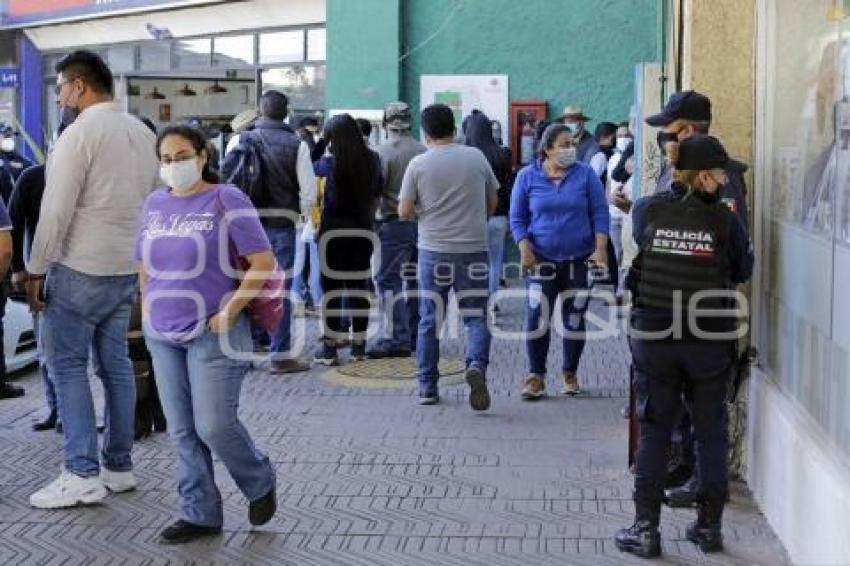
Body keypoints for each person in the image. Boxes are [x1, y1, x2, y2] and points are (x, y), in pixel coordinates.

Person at [26, 50, 159, 509]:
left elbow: (56, 209)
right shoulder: (141, 132)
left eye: (61, 86)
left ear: (78, 86)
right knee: (116, 364)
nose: (60, 95)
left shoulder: (77, 134)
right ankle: (118, 466)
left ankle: (80, 471)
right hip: (126, 267)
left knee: (66, 366)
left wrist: (36, 268)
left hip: (80, 267)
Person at [615, 134, 753, 558]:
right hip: (708, 337)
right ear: (702, 174)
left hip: (655, 334)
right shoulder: (726, 222)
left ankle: (646, 529)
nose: (725, 179)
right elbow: (741, 269)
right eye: (720, 172)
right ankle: (708, 529)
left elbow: (646, 245)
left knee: (655, 427)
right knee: (710, 430)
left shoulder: (646, 208)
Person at [138, 125, 277, 544]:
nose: (173, 165)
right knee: (181, 429)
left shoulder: (226, 198)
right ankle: (199, 513)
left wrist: (231, 309)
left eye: (182, 156)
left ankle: (259, 478)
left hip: (215, 331)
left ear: (202, 156)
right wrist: (146, 305)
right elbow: (143, 263)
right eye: (165, 159)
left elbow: (263, 261)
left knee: (214, 425)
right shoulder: (154, 204)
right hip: (161, 332)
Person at [642, 90, 751, 502]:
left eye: (668, 130)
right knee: (683, 412)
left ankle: (701, 495)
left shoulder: (722, 176)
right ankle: (691, 480)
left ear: (686, 129)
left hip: (702, 311)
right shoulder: (678, 174)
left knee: (704, 415)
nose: (664, 138)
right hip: (672, 311)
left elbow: (732, 251)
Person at [398, 103, 498, 410]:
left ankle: (428, 387)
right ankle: (476, 366)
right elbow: (493, 201)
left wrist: (426, 213)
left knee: (430, 320)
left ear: (425, 132)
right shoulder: (476, 157)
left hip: (433, 251)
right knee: (476, 317)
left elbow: (404, 211)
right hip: (473, 249)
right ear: (455, 128)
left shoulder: (418, 164)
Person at [510, 123, 610, 401]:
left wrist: (599, 249)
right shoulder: (527, 177)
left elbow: (600, 213)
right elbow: (517, 218)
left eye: (572, 144)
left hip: (579, 260)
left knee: (575, 318)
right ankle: (536, 376)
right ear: (547, 149)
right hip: (540, 260)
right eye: (564, 144)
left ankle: (569, 372)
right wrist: (523, 248)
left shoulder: (585, 174)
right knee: (536, 316)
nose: (570, 149)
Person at [222, 90, 317, 374]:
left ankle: (243, 353)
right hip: (281, 226)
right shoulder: (297, 144)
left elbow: (226, 184)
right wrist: (299, 218)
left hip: (242, 226)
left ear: (259, 111)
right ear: (286, 112)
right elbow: (309, 193)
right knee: (280, 290)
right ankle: (280, 355)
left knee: (242, 286)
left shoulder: (239, 140)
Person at [8, 107, 79, 426]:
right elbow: (15, 222)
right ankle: (56, 410)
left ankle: (72, 412)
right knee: (47, 349)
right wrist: (20, 269)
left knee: (76, 353)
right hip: (42, 272)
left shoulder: (88, 181)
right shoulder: (33, 177)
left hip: (82, 272)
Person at [313, 114, 382, 365]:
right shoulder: (372, 159)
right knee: (358, 288)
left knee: (331, 289)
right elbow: (377, 190)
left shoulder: (328, 162)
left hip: (332, 232)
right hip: (362, 230)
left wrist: (321, 141)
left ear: (332, 137)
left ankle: (330, 349)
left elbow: (311, 165)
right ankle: (359, 348)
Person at [367, 102, 427, 359]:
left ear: (385, 123)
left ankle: (396, 337)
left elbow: (374, 192)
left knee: (388, 280)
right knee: (414, 280)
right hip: (421, 225)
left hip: (391, 224)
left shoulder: (381, 153)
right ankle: (413, 334)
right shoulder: (423, 151)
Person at [464, 111, 512, 299]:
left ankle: (474, 299)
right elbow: (507, 189)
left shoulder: (465, 156)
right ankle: (491, 302)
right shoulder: (502, 154)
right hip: (498, 216)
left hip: (471, 218)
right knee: (495, 261)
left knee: (471, 263)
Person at [0, 125, 32, 204]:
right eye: (7, 136)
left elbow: (28, 165)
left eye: (12, 136)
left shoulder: (13, 153)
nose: (11, 139)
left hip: (17, 202)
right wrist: (10, 165)